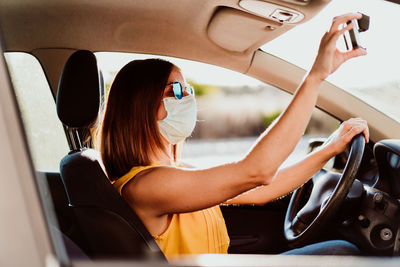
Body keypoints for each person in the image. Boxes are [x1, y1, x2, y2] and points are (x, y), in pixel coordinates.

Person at [99, 13, 369, 260]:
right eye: (177, 91)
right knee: (343, 253)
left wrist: (331, 148)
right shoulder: (147, 186)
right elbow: (257, 171)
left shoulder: (174, 173)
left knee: (341, 252)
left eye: (189, 89)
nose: (188, 98)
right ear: (140, 107)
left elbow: (264, 189)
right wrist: (315, 77)